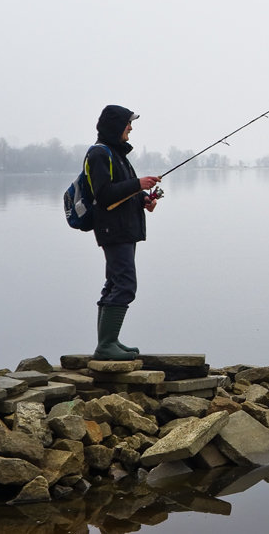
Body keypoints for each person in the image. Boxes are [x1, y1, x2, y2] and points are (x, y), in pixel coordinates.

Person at [87, 105, 162, 360]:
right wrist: (138, 183)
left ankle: (110, 342)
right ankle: (105, 346)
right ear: (115, 126)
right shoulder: (100, 154)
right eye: (128, 124)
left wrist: (143, 199)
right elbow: (104, 194)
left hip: (124, 229)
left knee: (114, 284)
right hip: (113, 230)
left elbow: (123, 191)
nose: (131, 128)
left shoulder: (117, 154)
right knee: (126, 285)